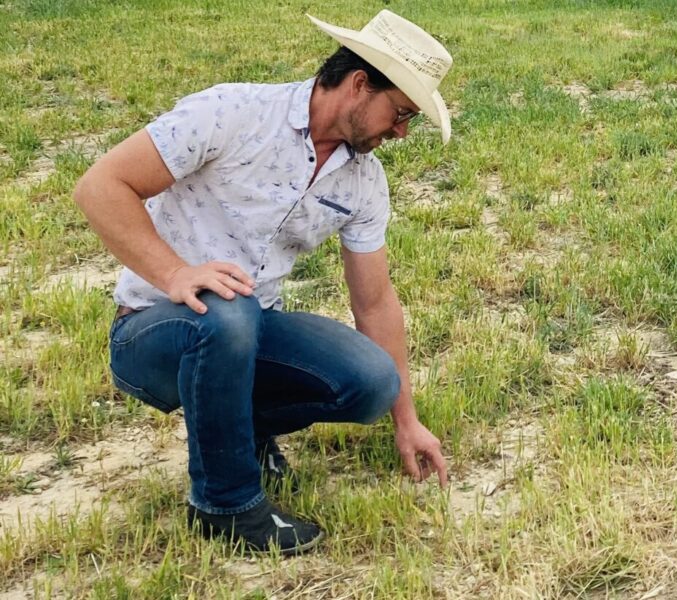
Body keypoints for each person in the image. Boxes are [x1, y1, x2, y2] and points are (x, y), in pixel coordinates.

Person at [72, 10, 454, 555]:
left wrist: (406, 420)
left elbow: (375, 301)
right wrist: (176, 273)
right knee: (230, 312)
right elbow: (100, 185)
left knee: (370, 380)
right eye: (399, 113)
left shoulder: (364, 181)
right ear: (359, 84)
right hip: (151, 332)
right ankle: (225, 505)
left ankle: (240, 433)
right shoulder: (233, 112)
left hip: (247, 331)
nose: (401, 131)